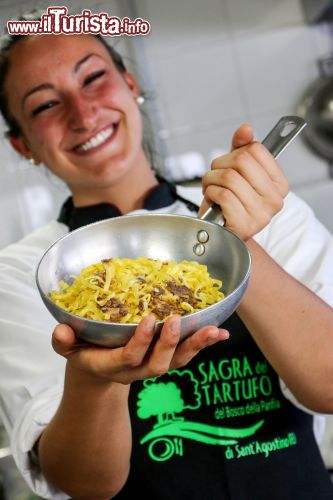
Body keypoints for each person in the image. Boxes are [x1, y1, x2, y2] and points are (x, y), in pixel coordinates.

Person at [0, 28, 333, 500]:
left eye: (93, 78)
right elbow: (82, 483)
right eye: (44, 105)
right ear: (23, 146)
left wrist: (235, 244)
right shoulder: (23, 275)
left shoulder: (256, 208)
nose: (83, 112)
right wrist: (96, 379)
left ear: (130, 85)